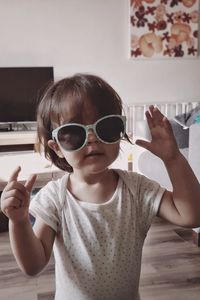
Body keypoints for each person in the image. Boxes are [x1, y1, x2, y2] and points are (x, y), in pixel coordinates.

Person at [1, 73, 200, 300]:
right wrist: (18, 222)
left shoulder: (137, 189)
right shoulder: (54, 198)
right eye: (74, 132)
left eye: (106, 126)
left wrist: (173, 159)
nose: (93, 138)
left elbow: (192, 216)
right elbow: (33, 265)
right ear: (56, 147)